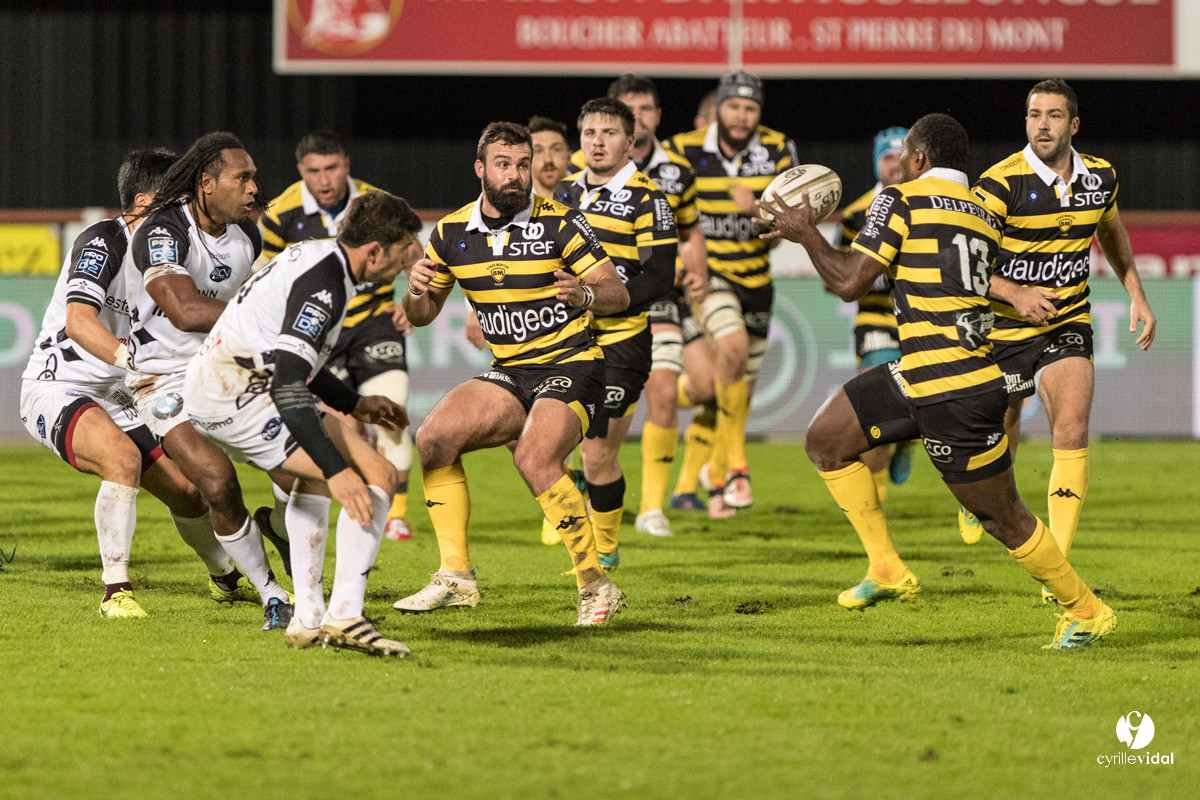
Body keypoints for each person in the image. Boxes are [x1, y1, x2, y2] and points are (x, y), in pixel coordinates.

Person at [756, 113, 1116, 649]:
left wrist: (805, 233)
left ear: (919, 158)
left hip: (955, 388)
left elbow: (851, 282)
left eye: (904, 152)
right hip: (922, 372)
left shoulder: (899, 199)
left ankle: (1087, 609)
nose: (898, 161)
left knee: (1007, 520)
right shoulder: (978, 211)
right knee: (827, 441)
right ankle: (886, 568)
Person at [396, 121, 629, 626]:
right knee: (434, 438)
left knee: (534, 456)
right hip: (512, 371)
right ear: (480, 169)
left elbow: (618, 293)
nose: (516, 175)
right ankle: (455, 577)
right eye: (504, 164)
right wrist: (415, 289)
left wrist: (586, 294)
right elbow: (422, 315)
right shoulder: (452, 233)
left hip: (573, 365)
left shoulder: (562, 223)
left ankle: (597, 585)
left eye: (522, 165)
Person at [19, 148, 256, 618]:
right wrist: (129, 359)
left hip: (122, 389)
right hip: (61, 385)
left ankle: (225, 578)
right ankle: (116, 591)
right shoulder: (104, 239)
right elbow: (80, 323)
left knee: (188, 492)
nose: (185, 207)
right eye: (177, 196)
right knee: (121, 458)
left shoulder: (174, 248)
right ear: (145, 201)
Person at [185, 191, 420, 656]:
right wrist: (337, 473)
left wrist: (354, 403)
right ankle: (346, 617)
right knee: (373, 478)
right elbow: (290, 384)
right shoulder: (327, 286)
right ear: (374, 251)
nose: (404, 266)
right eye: (401, 254)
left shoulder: (320, 255)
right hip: (236, 393)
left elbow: (297, 363)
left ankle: (309, 619)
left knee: (324, 483)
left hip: (230, 380)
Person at [958, 79, 1157, 569]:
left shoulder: (1101, 177)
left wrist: (1137, 294)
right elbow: (962, 263)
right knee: (1000, 427)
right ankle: (979, 496)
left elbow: (1109, 230)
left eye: (1052, 115)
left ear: (1074, 124)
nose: (1041, 125)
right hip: (1002, 326)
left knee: (1071, 425)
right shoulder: (999, 183)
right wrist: (1016, 293)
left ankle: (1057, 566)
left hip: (1066, 319)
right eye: (1033, 115)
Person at [125, 131, 295, 631]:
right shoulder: (163, 230)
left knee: (296, 472)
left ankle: (279, 528)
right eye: (242, 178)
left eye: (254, 178)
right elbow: (182, 309)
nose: (253, 188)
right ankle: (271, 595)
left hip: (227, 368)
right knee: (217, 484)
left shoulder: (248, 234)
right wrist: (263, 320)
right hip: (164, 377)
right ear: (206, 183)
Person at [259, 131, 418, 544]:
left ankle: (396, 515)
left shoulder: (375, 202)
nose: (324, 179)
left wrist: (415, 299)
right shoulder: (280, 211)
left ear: (346, 164)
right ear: (301, 172)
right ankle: (356, 497)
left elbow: (415, 255)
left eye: (331, 168)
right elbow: (262, 274)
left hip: (372, 322)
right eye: (314, 171)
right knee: (345, 426)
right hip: (317, 330)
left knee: (393, 411)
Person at [665, 70, 799, 518]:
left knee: (726, 390)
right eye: (734, 106)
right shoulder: (681, 150)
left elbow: (786, 232)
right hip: (709, 278)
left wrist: (759, 211)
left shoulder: (779, 149)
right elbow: (662, 216)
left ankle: (711, 478)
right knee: (733, 348)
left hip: (758, 283)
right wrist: (684, 265)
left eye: (751, 108)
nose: (742, 116)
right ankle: (737, 468)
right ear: (719, 107)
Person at [553, 97, 677, 568]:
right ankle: (576, 522)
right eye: (589, 134)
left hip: (622, 339)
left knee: (598, 451)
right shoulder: (559, 194)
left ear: (631, 141)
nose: (597, 143)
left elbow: (661, 275)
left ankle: (604, 551)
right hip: (563, 338)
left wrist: (604, 297)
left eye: (608, 134)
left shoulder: (650, 198)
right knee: (544, 441)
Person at [601, 74, 707, 539]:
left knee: (688, 389)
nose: (637, 117)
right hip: (605, 305)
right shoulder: (586, 172)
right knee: (637, 400)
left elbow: (689, 232)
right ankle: (630, 499)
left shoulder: (678, 173)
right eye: (628, 109)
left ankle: (646, 505)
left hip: (663, 296)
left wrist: (697, 268)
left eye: (644, 108)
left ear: (656, 116)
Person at [834, 126, 915, 502]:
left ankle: (910, 440)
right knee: (878, 414)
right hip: (877, 322)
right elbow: (836, 278)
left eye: (902, 156)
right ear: (876, 162)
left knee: (921, 411)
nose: (895, 165)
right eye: (887, 157)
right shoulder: (855, 214)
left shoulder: (930, 205)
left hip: (924, 322)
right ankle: (876, 507)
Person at [529, 116, 572, 200]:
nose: (548, 159)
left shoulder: (592, 193)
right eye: (538, 151)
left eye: (556, 149)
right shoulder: (515, 203)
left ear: (569, 157)